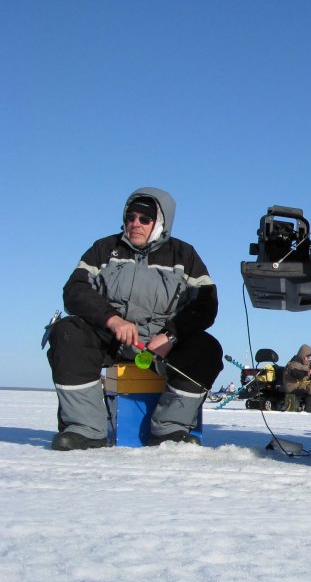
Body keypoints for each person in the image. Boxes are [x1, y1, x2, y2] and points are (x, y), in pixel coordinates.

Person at [47, 187, 224, 450]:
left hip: (162, 346)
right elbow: (75, 290)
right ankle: (86, 429)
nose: (135, 223)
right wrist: (112, 320)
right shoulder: (103, 249)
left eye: (144, 218)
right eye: (130, 217)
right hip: (110, 339)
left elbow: (205, 304)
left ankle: (170, 428)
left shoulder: (184, 255)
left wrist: (170, 335)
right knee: (67, 331)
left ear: (160, 222)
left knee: (206, 349)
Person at [282, 344, 311, 412]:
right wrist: (307, 372)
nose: (308, 359)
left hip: (298, 385)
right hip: (292, 387)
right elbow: (296, 374)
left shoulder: (303, 365)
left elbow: (310, 375)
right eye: (307, 357)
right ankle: (309, 408)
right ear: (302, 356)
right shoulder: (293, 364)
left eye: (309, 358)